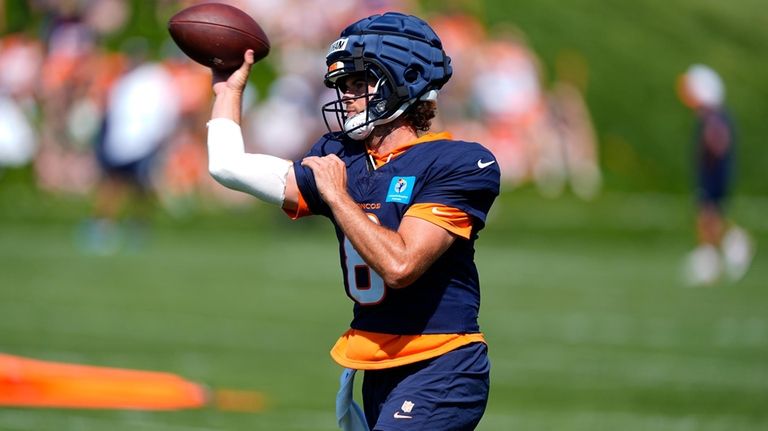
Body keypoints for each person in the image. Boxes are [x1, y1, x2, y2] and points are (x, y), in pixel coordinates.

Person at [205, 12, 500, 430]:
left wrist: (337, 196)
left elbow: (401, 266)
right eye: (343, 85)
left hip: (441, 362)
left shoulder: (459, 162)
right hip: (375, 364)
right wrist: (228, 88)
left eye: (360, 83)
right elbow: (228, 166)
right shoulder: (342, 156)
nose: (347, 97)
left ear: (406, 80)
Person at [678, 64, 754, 285]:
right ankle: (714, 256)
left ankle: (726, 249)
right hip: (712, 171)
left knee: (708, 215)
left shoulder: (713, 116)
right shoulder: (712, 114)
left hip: (713, 172)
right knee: (709, 216)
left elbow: (718, 141)